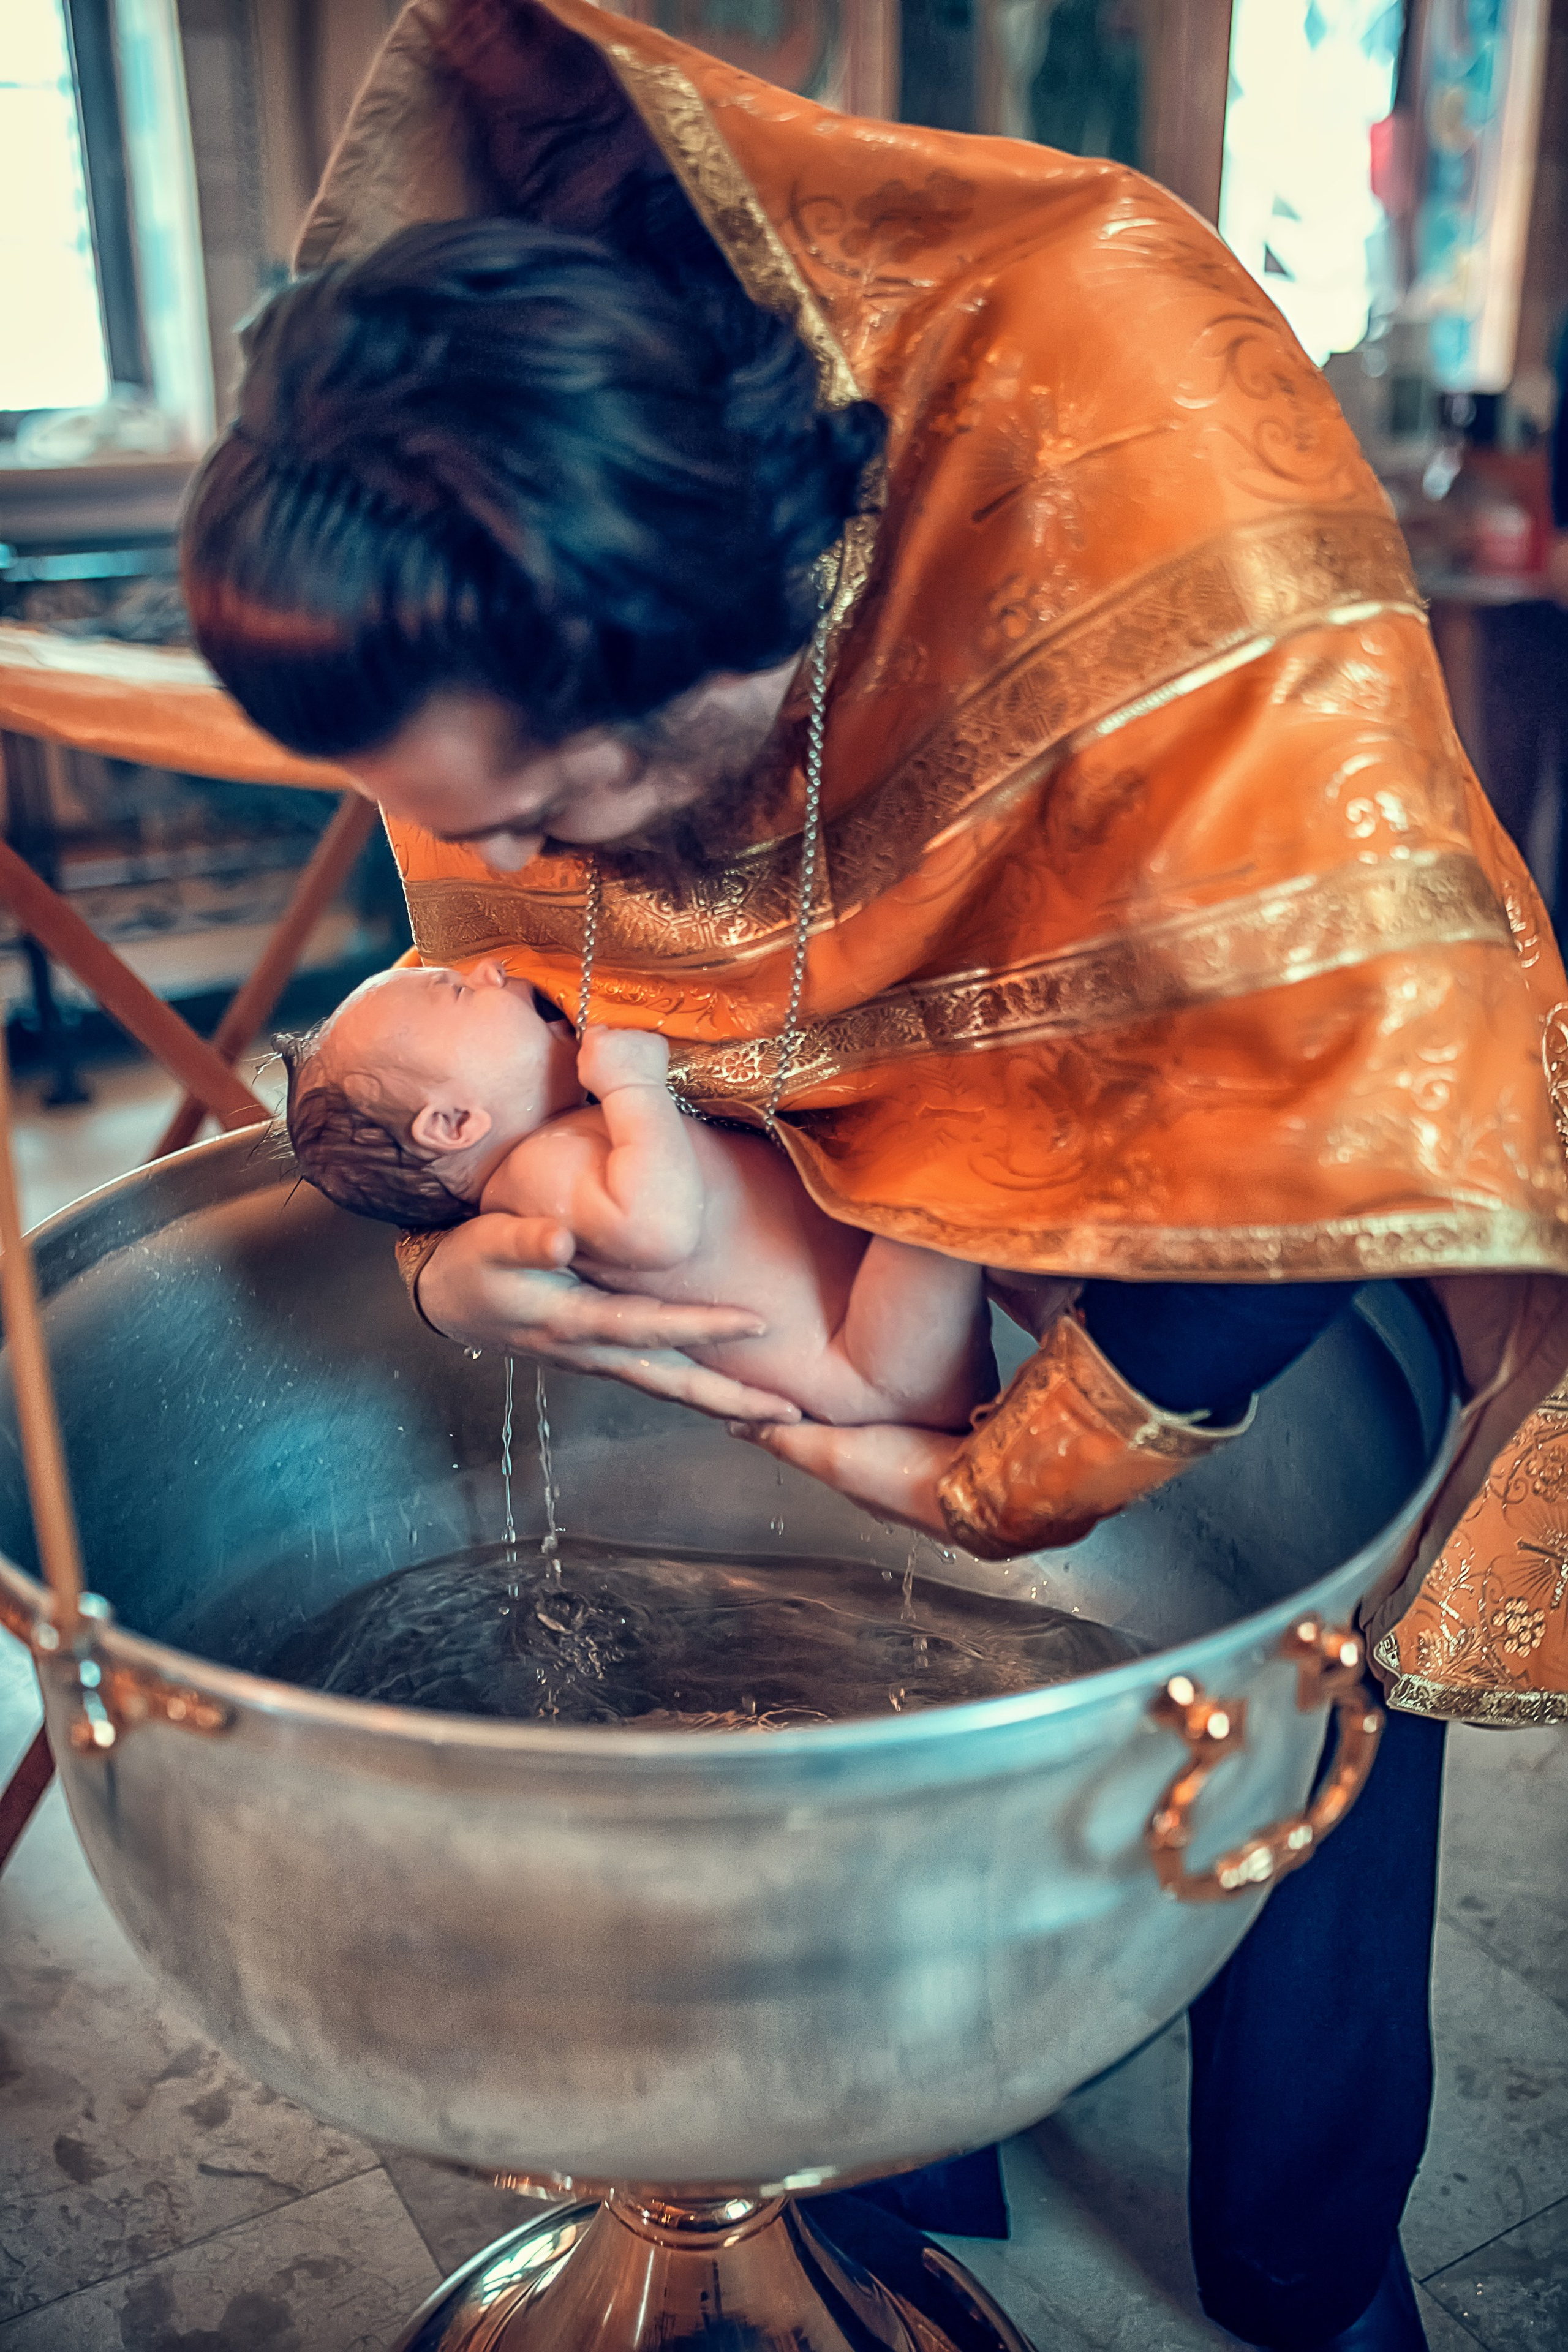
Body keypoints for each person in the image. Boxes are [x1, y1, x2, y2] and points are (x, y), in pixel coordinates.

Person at [176, 4, 1568, 2342]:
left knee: (1293, 1681)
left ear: (697, 640)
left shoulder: (1099, 392)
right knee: (873, 1713)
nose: (485, 869)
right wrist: (479, 1285)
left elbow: (1325, 1071)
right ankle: (885, 2146)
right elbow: (499, 993)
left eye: (531, 806)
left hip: (1241, 1167)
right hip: (839, 1186)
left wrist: (999, 1468)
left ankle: (1308, 2261)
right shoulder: (462, 541)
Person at [281, 959, 992, 1428]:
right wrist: (634, 1086)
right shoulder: (540, 1174)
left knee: (956, 1155)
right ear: (455, 1123)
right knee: (967, 1138)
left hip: (879, 1350)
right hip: (871, 1362)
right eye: (462, 991)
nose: (488, 967)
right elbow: (657, 1228)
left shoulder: (559, 1145)